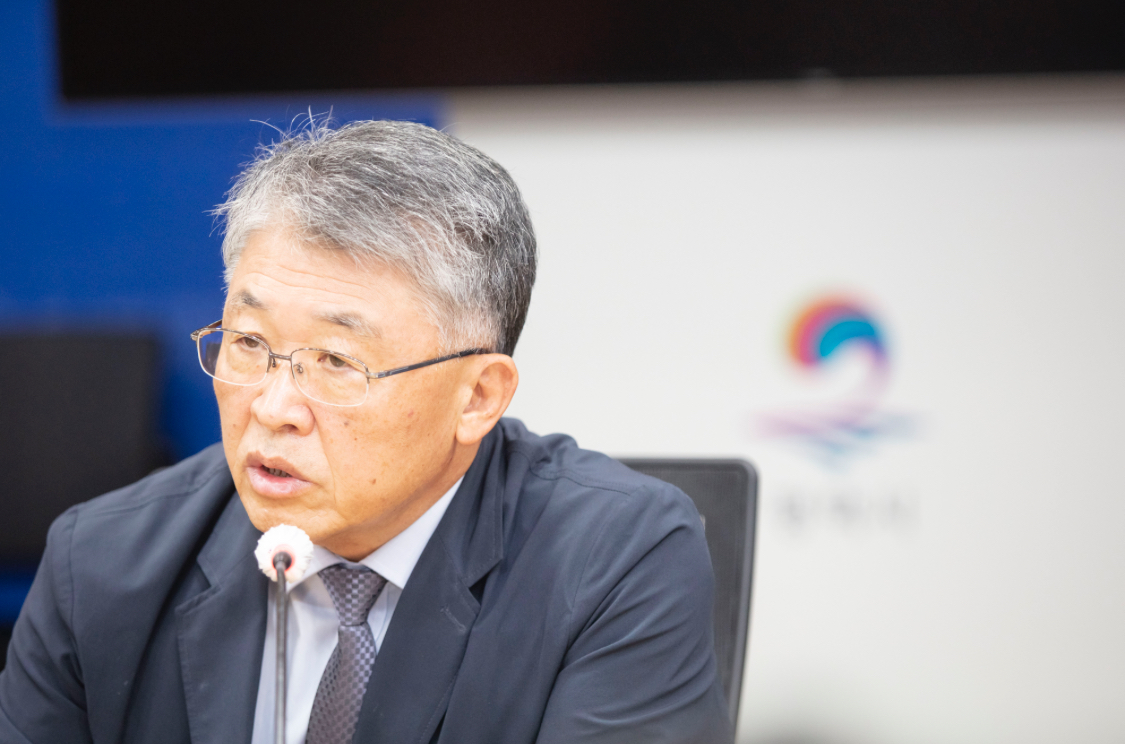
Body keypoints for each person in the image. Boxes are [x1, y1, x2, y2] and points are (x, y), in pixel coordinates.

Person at [0, 121, 732, 744]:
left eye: (336, 361)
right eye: (248, 342)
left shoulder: (614, 562)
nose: (273, 407)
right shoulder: (99, 566)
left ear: (478, 396)